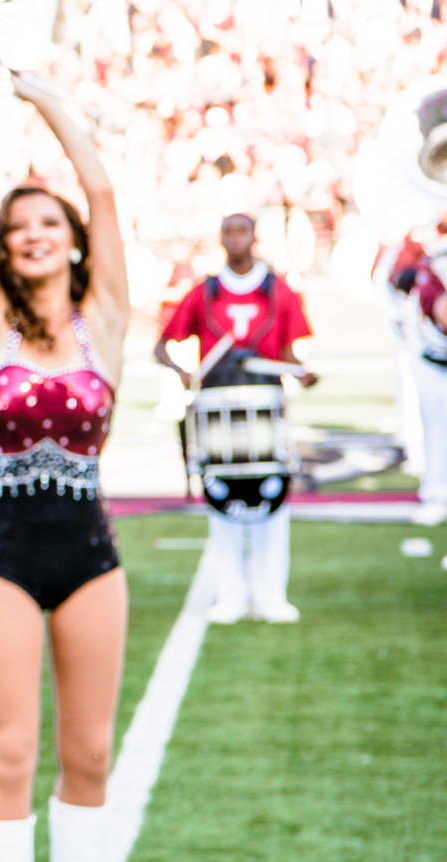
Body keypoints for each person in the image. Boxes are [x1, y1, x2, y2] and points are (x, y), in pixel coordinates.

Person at [0, 42, 132, 862]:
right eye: (18, 227)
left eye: (48, 224)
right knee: (12, 755)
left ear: (72, 241)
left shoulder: (106, 321)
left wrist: (52, 104)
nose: (33, 236)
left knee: (91, 754)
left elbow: (100, 189)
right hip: (3, 559)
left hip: (92, 557)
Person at [155, 213, 315, 624]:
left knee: (272, 497)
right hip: (216, 406)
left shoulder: (278, 289)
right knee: (222, 498)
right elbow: (162, 346)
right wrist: (183, 373)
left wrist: (303, 372)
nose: (235, 238)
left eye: (242, 230)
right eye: (228, 231)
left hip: (266, 404)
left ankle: (270, 595)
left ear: (254, 237)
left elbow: (292, 353)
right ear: (221, 238)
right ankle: (230, 595)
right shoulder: (205, 291)